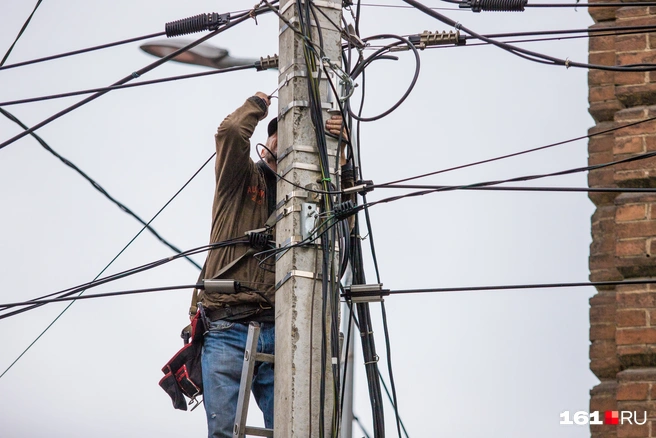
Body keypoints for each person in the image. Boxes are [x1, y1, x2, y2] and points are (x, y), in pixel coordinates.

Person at [194, 92, 351, 438]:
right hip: (226, 325)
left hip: (281, 327)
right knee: (223, 431)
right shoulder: (240, 179)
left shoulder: (311, 192)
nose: (286, 143)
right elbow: (231, 132)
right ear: (267, 143)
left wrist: (341, 156)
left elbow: (345, 228)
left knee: (292, 430)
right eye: (279, 134)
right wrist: (259, 103)